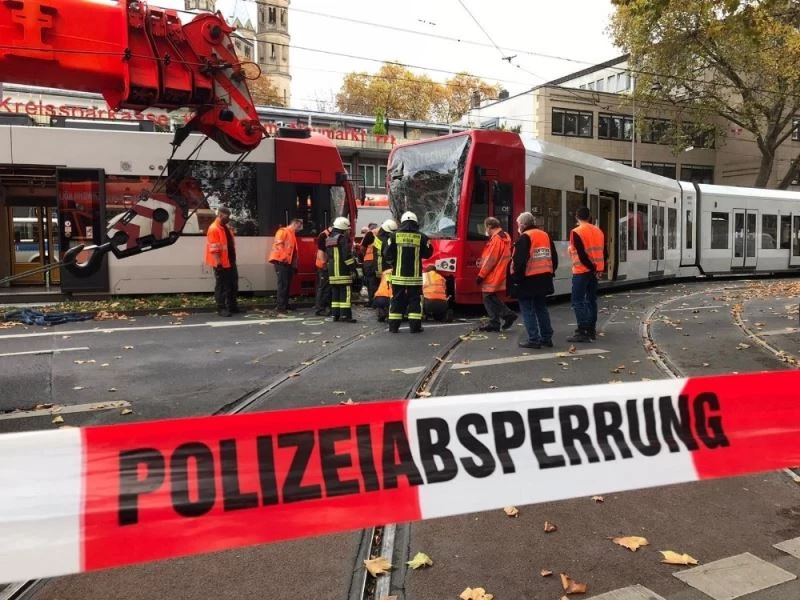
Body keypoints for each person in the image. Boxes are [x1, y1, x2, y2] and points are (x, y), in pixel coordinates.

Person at [510, 212, 558, 349]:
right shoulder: (545, 235)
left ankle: (533, 339)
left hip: (528, 280)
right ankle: (546, 338)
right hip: (544, 278)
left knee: (527, 309)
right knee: (541, 308)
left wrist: (516, 279)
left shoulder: (525, 237)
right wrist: (550, 271)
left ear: (522, 225)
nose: (518, 227)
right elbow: (554, 258)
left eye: (518, 224)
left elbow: (519, 262)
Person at [383, 211, 433, 333]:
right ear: (415, 223)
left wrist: (392, 262)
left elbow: (386, 253)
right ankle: (415, 327)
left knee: (396, 300)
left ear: (402, 222)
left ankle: (393, 327)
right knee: (415, 301)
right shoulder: (422, 237)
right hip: (414, 278)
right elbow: (428, 254)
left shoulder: (394, 236)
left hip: (398, 277)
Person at [567, 206, 605, 342]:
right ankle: (591, 330)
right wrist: (597, 268)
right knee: (591, 300)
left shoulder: (576, 232)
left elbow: (582, 255)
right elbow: (603, 252)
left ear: (576, 217)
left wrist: (591, 267)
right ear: (589, 217)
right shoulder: (598, 231)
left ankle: (582, 331)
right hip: (595, 272)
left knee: (577, 301)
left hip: (581, 271)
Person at [476, 216, 516, 332]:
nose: (485, 230)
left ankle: (503, 317)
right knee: (491, 296)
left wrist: (481, 275)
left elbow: (491, 260)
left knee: (487, 296)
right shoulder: (504, 236)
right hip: (500, 271)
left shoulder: (496, 239)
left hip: (494, 273)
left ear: (489, 226)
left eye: (485, 227)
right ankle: (498, 320)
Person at [205, 206, 239, 317]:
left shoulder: (225, 227)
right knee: (222, 286)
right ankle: (221, 308)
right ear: (220, 215)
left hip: (230, 261)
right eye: (226, 216)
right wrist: (218, 263)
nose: (228, 218)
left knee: (233, 284)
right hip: (221, 263)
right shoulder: (214, 228)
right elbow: (214, 249)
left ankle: (232, 306)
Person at [326, 216, 358, 322]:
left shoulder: (329, 238)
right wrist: (353, 268)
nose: (348, 231)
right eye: (347, 229)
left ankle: (335, 315)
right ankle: (345, 315)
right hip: (343, 271)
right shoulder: (342, 239)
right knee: (345, 294)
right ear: (343, 228)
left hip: (332, 272)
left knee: (335, 294)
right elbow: (346, 257)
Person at [268, 218, 303, 312]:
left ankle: (285, 304)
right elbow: (278, 245)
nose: (300, 229)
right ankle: (280, 306)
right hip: (281, 261)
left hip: (287, 262)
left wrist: (293, 265)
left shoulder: (291, 234)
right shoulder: (283, 231)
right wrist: (284, 259)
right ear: (295, 224)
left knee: (286, 284)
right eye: (299, 227)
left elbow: (292, 251)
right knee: (283, 284)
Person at [359, 222, 380, 306]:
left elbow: (362, 248)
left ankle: (372, 301)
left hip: (369, 261)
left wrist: (364, 255)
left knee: (371, 282)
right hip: (380, 261)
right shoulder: (384, 233)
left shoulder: (370, 234)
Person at [314, 224, 332, 316]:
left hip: (324, 265)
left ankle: (323, 307)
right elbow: (321, 251)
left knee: (325, 287)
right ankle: (320, 309)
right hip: (323, 265)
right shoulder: (323, 236)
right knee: (323, 287)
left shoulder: (326, 235)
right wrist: (324, 264)